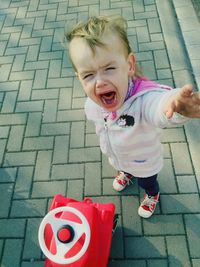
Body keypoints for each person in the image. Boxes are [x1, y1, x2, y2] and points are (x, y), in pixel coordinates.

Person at [65, 16, 200, 218]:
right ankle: (126, 173)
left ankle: (152, 194)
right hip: (118, 156)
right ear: (79, 77)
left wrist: (176, 107)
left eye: (109, 69)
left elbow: (158, 106)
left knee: (147, 181)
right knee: (121, 166)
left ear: (129, 65)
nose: (99, 82)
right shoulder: (92, 104)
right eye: (88, 75)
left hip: (145, 163)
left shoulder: (142, 100)